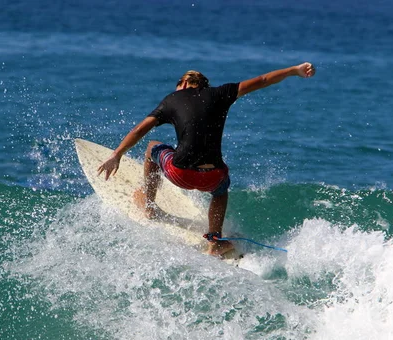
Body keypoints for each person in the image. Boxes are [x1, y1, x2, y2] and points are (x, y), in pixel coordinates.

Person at [97, 63, 315, 256]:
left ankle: (150, 205)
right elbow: (263, 80)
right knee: (221, 187)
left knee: (152, 147)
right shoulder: (221, 93)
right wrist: (294, 70)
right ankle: (215, 241)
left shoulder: (172, 99)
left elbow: (139, 129)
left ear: (183, 84)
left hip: (179, 174)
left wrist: (117, 155)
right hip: (212, 177)